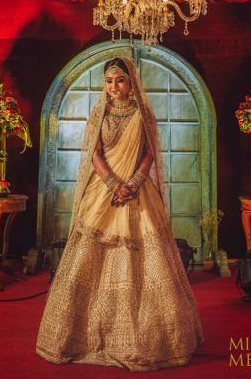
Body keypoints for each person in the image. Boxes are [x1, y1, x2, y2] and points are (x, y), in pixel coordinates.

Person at [36, 57, 203, 371]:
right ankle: (84, 337)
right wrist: (114, 184)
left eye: (120, 80)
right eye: (109, 81)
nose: (114, 87)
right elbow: (95, 153)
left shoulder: (143, 113)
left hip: (138, 191)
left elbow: (149, 152)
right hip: (104, 191)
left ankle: (149, 339)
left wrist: (134, 184)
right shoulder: (99, 112)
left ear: (132, 82)